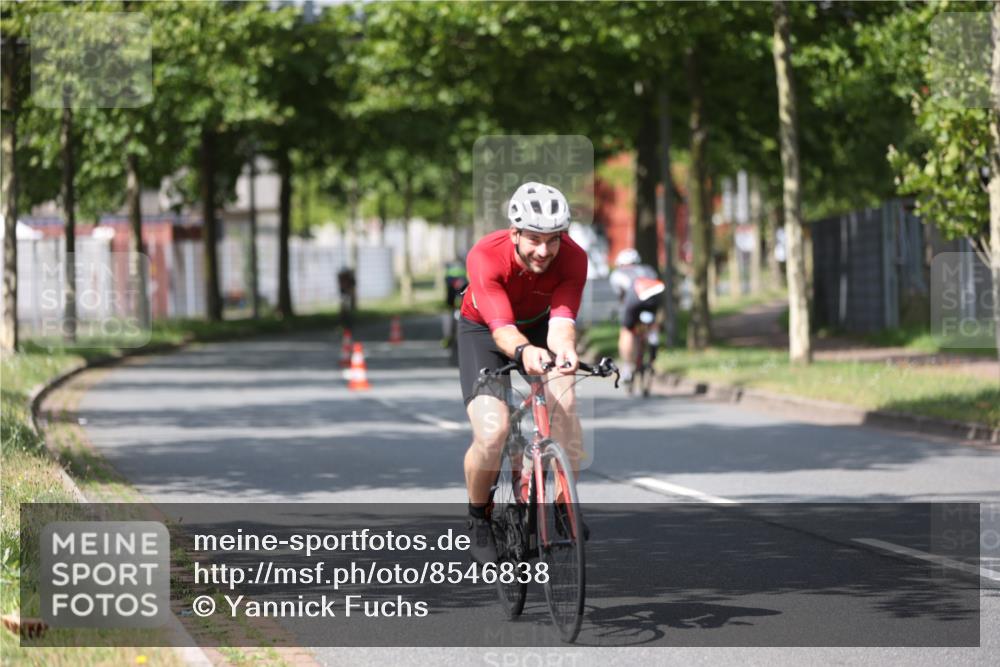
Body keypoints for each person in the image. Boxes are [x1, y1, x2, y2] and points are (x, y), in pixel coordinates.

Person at [457, 182, 588, 565]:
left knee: (566, 401)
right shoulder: (486, 255)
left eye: (553, 240)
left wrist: (565, 351)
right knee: (493, 430)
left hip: (540, 325)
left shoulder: (574, 259)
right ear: (514, 233)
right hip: (485, 329)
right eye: (534, 239)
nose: (544, 251)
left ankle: (562, 504)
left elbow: (561, 323)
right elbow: (502, 331)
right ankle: (478, 515)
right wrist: (524, 351)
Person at [609, 248, 665, 382]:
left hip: (633, 299)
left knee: (627, 331)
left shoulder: (617, 274)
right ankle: (653, 338)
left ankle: (628, 367)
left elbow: (622, 297)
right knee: (652, 322)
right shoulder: (648, 269)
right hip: (653, 298)